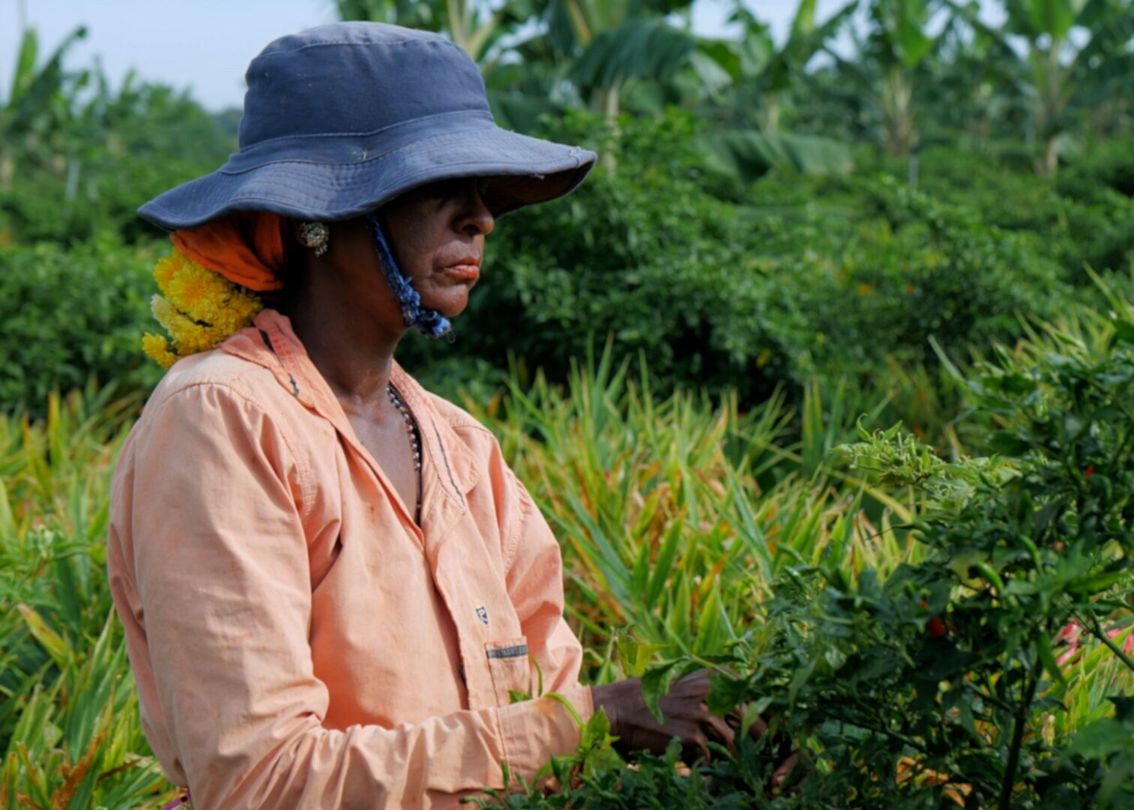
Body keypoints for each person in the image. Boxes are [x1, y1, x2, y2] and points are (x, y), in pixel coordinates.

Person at [107, 23, 735, 809]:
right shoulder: (226, 420)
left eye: (483, 193)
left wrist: (717, 745)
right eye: (440, 188)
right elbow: (260, 780)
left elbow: (550, 716)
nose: (482, 219)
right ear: (319, 216)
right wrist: (598, 719)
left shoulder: (461, 448)